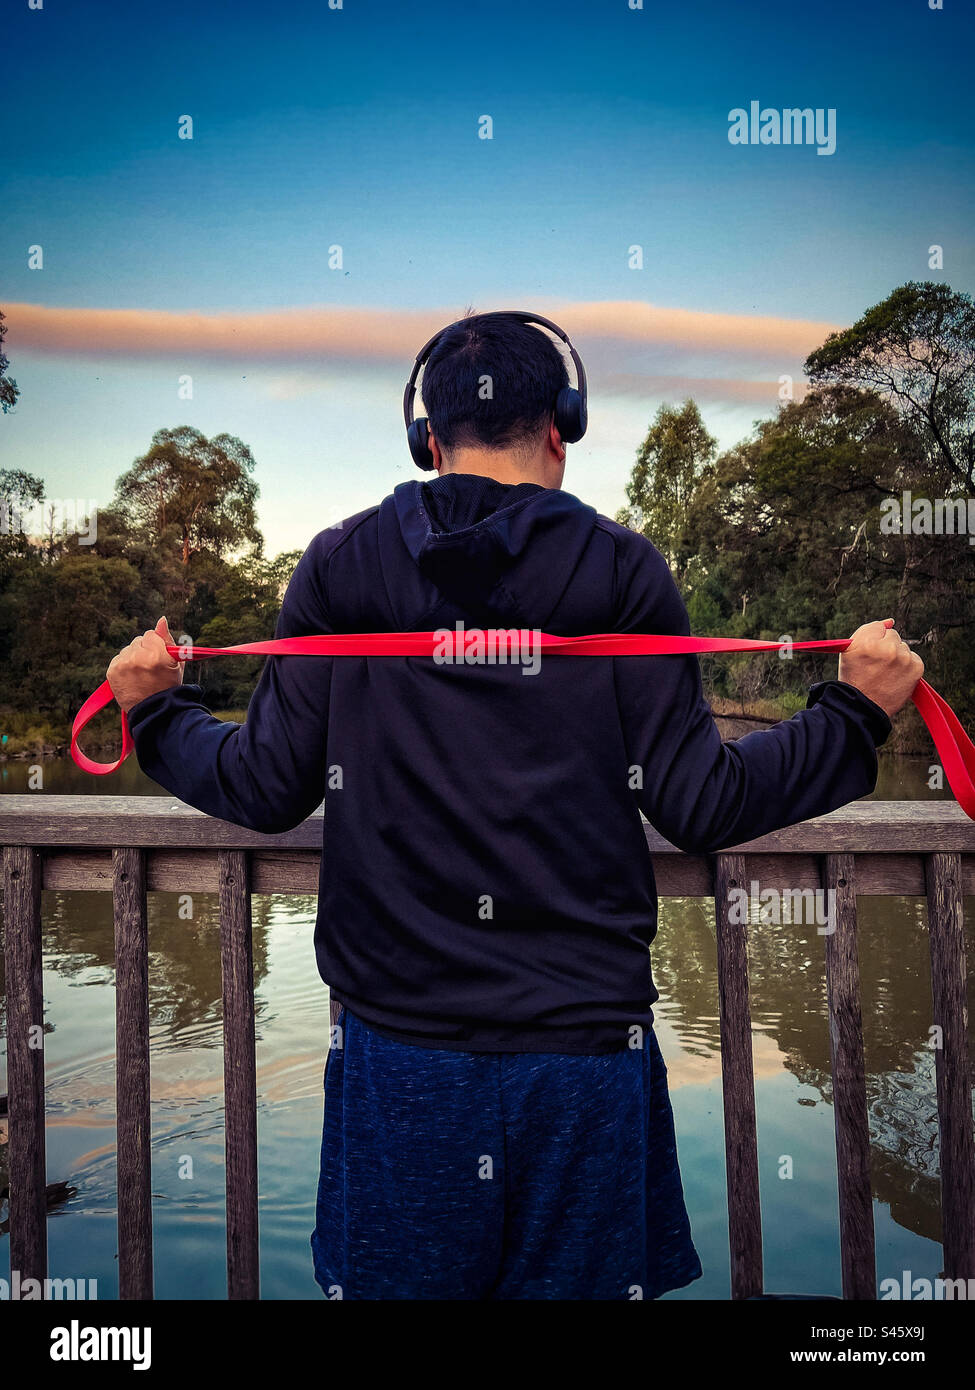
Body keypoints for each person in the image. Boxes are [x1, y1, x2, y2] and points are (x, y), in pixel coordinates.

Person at [107, 311, 924, 1300]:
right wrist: (853, 713)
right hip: (585, 1054)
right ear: (560, 426)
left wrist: (154, 715)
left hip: (399, 1056)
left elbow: (265, 784)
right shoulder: (623, 570)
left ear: (427, 436)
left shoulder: (341, 565)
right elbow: (702, 800)